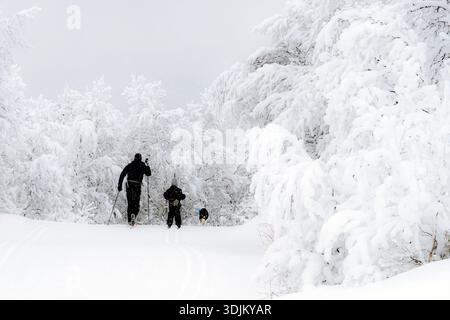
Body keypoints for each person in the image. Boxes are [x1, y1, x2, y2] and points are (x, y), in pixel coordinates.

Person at [118, 153, 151, 226]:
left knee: (130, 203)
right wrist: (147, 165)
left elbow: (122, 174)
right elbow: (148, 173)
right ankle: (134, 215)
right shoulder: (142, 165)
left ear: (134, 158)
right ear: (140, 158)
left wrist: (119, 185)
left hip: (129, 185)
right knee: (136, 203)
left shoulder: (130, 165)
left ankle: (130, 220)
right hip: (137, 185)